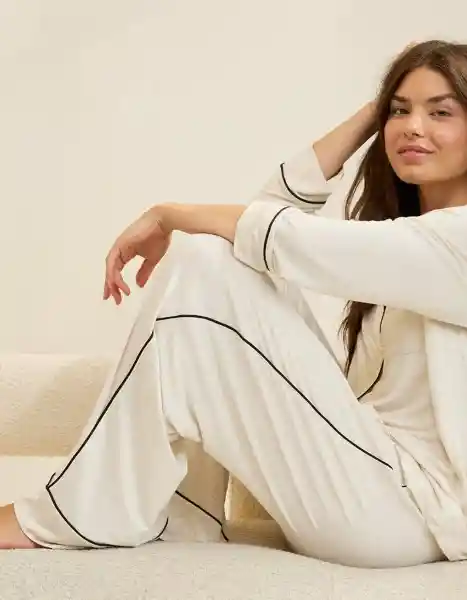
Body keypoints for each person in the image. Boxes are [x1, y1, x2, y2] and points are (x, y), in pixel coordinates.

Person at [1, 39, 467, 569]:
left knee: (207, 257)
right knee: (218, 255)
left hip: (409, 516)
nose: (412, 127)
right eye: (400, 111)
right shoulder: (414, 237)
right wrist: (374, 110)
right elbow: (262, 224)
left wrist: (169, 213)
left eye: (441, 112)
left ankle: (72, 513)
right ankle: (182, 515)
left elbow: (278, 234)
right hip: (376, 485)